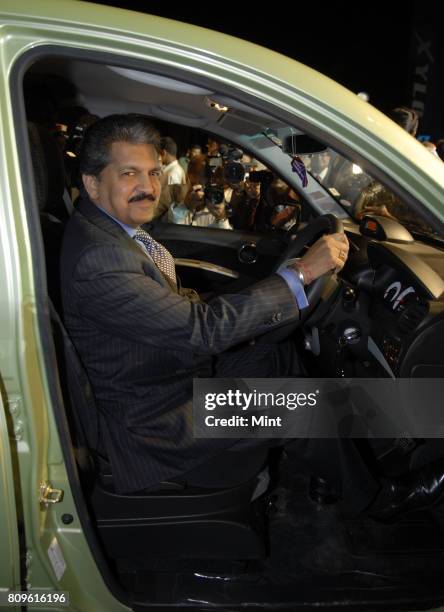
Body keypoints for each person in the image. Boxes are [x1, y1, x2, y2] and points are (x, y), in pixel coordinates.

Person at [60, 114, 444, 520]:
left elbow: (177, 309)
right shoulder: (100, 257)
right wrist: (300, 275)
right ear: (92, 183)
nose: (149, 187)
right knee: (298, 404)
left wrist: (278, 288)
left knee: (276, 355)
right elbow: (199, 329)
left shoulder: (107, 230)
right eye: (129, 173)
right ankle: (379, 499)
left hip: (156, 378)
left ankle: (332, 471)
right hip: (151, 421)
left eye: (154, 172)